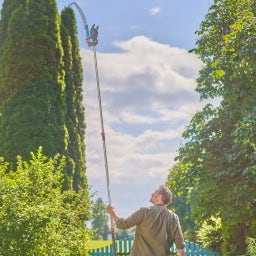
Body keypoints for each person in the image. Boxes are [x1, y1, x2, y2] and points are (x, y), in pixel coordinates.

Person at [106, 185, 186, 256]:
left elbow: (123, 224)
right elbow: (180, 245)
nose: (152, 193)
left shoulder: (144, 212)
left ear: (159, 197)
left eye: (155, 192)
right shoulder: (173, 218)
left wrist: (112, 212)